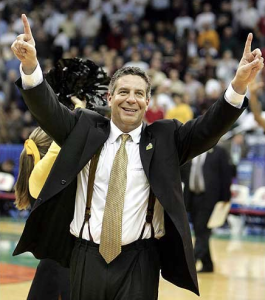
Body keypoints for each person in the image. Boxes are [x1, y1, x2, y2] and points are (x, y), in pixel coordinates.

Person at [11, 14, 263, 300]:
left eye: (139, 93)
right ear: (109, 98)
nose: (131, 98)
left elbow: (209, 127)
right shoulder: (83, 127)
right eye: (124, 92)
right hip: (84, 256)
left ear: (147, 101)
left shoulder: (167, 139)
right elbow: (47, 109)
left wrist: (239, 84)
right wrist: (30, 66)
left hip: (139, 261)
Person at [14, 97, 86, 300]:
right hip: (63, 261)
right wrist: (79, 110)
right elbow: (63, 143)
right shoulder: (40, 176)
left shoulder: (44, 176)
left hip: (54, 260)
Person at [184, 145, 233, 273]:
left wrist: (225, 199)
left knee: (203, 230)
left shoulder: (219, 152)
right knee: (200, 230)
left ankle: (190, 262)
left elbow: (226, 176)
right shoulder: (192, 151)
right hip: (192, 197)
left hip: (211, 199)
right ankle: (207, 265)